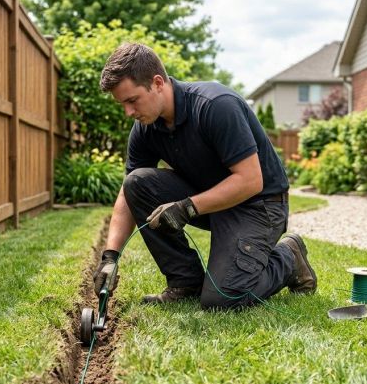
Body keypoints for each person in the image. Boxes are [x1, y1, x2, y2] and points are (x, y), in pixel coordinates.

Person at [92, 42, 317, 310]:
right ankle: (185, 282)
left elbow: (250, 180)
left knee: (222, 300)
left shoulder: (216, 106)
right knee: (137, 183)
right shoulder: (146, 128)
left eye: (132, 100)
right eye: (122, 104)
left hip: (259, 205)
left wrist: (187, 207)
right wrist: (110, 258)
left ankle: (289, 258)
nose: (129, 112)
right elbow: (129, 194)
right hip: (212, 202)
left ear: (157, 83)